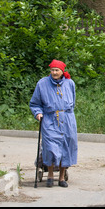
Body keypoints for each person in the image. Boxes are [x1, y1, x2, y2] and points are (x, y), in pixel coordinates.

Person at [29, 60, 78, 188]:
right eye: (52, 70)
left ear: (62, 71)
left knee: (66, 148)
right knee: (50, 148)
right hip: (50, 119)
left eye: (57, 70)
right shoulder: (42, 83)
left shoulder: (70, 83)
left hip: (67, 120)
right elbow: (35, 103)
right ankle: (50, 175)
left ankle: (61, 178)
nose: (54, 72)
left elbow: (73, 102)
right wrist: (38, 113)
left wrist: (69, 116)